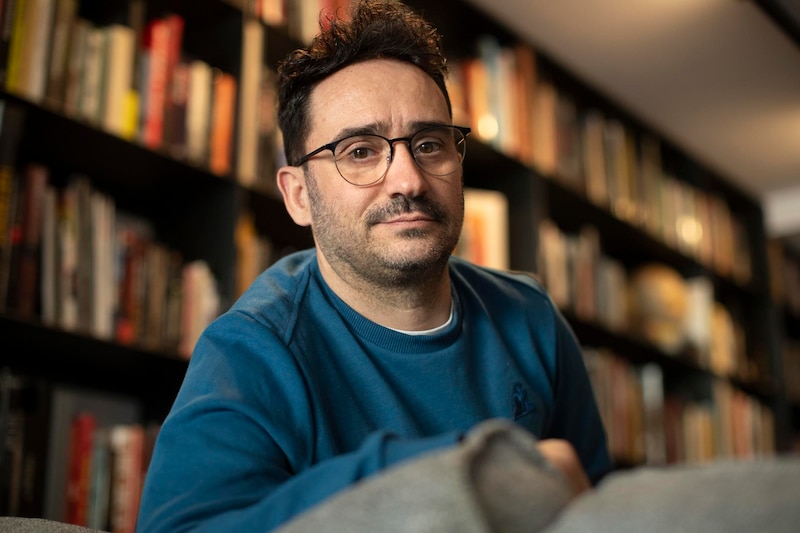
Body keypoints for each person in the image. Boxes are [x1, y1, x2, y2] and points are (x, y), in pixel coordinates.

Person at [136, 1, 612, 531]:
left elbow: (595, 506)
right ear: (298, 196)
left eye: (429, 144)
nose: (407, 179)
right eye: (360, 151)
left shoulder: (532, 318)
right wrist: (470, 469)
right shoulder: (252, 351)